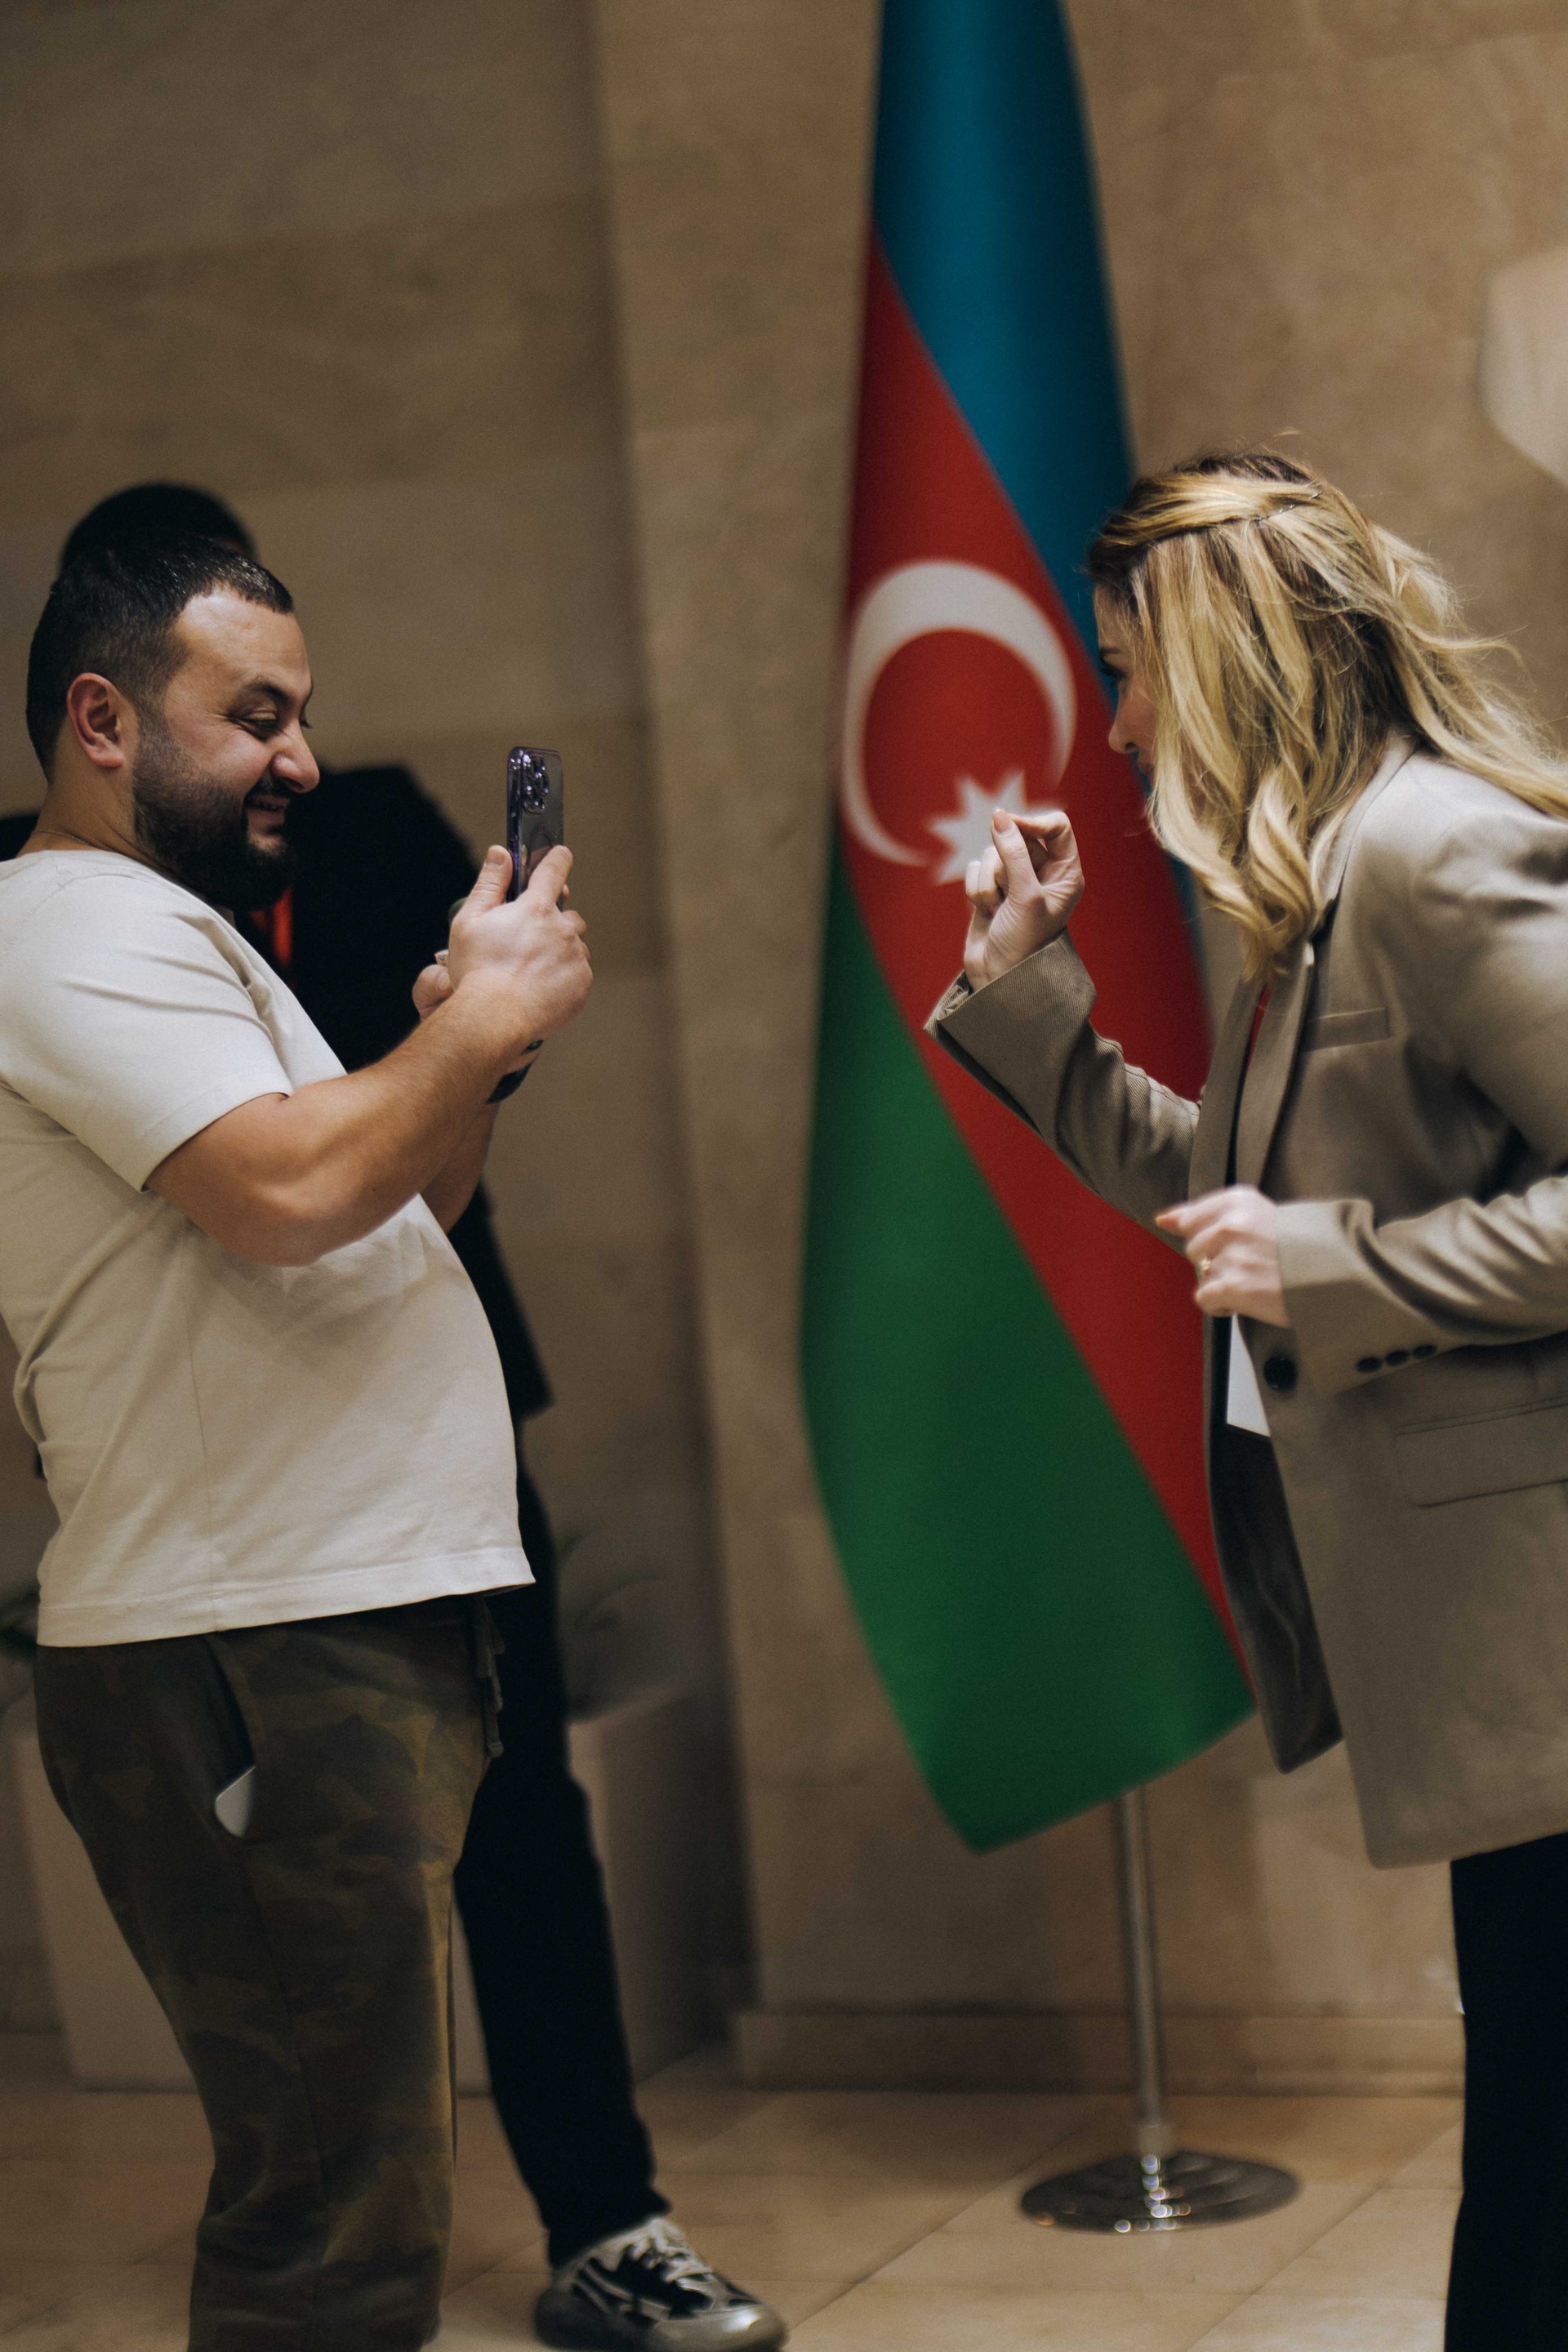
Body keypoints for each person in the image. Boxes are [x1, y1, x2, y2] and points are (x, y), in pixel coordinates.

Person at [2, 483, 787, 2352]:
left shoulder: (177, 927)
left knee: (368, 2183)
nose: (303, 754)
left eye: (303, 710)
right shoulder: (61, 924)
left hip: (346, 1592)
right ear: (102, 719)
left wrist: (469, 1052)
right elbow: (287, 1193)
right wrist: (465, 1031)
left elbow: (396, 1210)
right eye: (256, 714)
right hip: (247, 1619)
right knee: (332, 2224)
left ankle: (608, 2223)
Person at [931, 449, 1568, 2352]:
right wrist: (1035, 1003)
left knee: (1541, 2172)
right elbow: (1236, 1202)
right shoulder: (1314, 893)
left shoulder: (1433, 854)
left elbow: (1307, 1249)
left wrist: (1348, 1271)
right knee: (1536, 2149)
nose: (1119, 726)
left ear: (1224, 659)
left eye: (1128, 671)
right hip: (1496, 1657)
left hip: (1549, 1641)